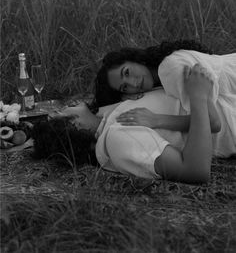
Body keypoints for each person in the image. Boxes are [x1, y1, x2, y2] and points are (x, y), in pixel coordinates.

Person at [32, 64, 235, 184]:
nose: (67, 105)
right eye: (61, 111)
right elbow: (194, 171)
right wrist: (199, 96)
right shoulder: (117, 139)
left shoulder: (108, 117)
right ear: (74, 126)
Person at [93, 39, 236, 157]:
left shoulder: (170, 68)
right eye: (125, 87)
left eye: (127, 72)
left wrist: (157, 120)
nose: (133, 83)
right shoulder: (159, 79)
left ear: (136, 60)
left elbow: (212, 122)